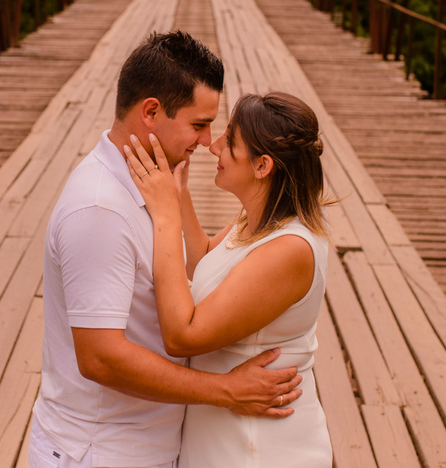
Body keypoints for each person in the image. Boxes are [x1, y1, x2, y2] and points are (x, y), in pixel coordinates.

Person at [29, 31, 304, 468]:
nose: (208, 141)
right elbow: (100, 357)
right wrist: (226, 391)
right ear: (152, 112)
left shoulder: (151, 187)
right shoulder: (101, 209)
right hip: (103, 452)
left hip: (146, 446)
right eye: (198, 125)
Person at [124, 91, 334, 468]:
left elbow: (182, 335)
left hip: (258, 447)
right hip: (225, 433)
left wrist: (165, 218)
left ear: (262, 166)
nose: (213, 146)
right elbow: (205, 261)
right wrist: (179, 194)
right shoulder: (255, 219)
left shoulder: (290, 249)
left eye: (230, 141)